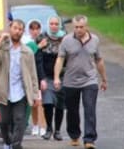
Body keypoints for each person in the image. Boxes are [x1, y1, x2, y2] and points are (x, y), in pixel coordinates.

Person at [54, 15, 108, 149]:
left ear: (86, 27)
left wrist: (104, 79)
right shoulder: (66, 40)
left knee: (89, 109)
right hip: (70, 81)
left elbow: (99, 60)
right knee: (72, 111)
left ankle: (89, 139)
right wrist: (56, 77)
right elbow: (60, 59)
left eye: (81, 27)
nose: (78, 30)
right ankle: (74, 135)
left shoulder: (94, 40)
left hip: (90, 80)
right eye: (76, 27)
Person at [0, 19, 40, 149]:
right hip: (4, 91)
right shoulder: (3, 48)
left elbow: (33, 74)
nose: (17, 31)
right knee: (3, 121)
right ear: (10, 29)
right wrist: (0, 43)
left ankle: (16, 144)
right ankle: (7, 141)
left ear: (23, 32)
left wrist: (35, 95)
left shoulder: (27, 52)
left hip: (20, 91)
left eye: (20, 29)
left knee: (20, 120)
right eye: (15, 28)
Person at [38, 16, 66, 141]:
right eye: (51, 23)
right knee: (48, 103)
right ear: (48, 24)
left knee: (60, 104)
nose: (54, 26)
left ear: (59, 25)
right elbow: (35, 57)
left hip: (62, 76)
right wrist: (41, 77)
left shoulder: (66, 38)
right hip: (46, 75)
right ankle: (49, 128)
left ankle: (58, 130)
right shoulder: (41, 37)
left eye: (56, 23)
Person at [25, 20, 47, 137]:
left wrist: (43, 77)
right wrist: (38, 47)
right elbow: (28, 55)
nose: (35, 31)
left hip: (40, 75)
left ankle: (43, 126)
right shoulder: (27, 42)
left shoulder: (44, 41)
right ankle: (35, 125)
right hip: (29, 75)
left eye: (37, 29)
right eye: (32, 29)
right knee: (33, 103)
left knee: (41, 103)